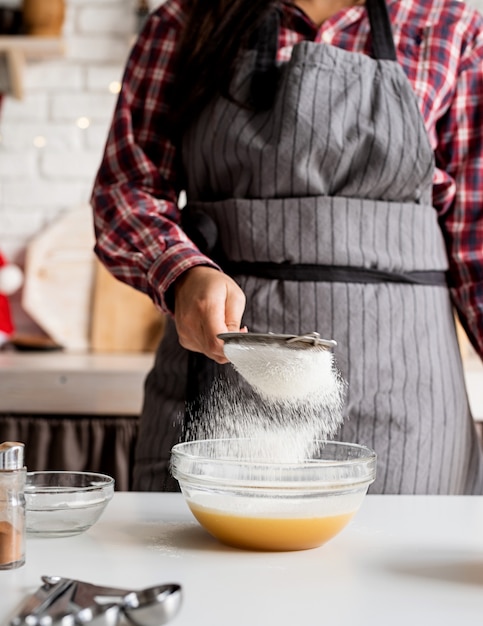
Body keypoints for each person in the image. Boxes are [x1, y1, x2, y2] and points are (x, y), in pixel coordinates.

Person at [91, 0, 483, 494]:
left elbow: (477, 235)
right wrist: (182, 272)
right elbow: (124, 191)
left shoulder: (450, 23)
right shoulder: (185, 20)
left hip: (410, 400)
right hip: (222, 392)